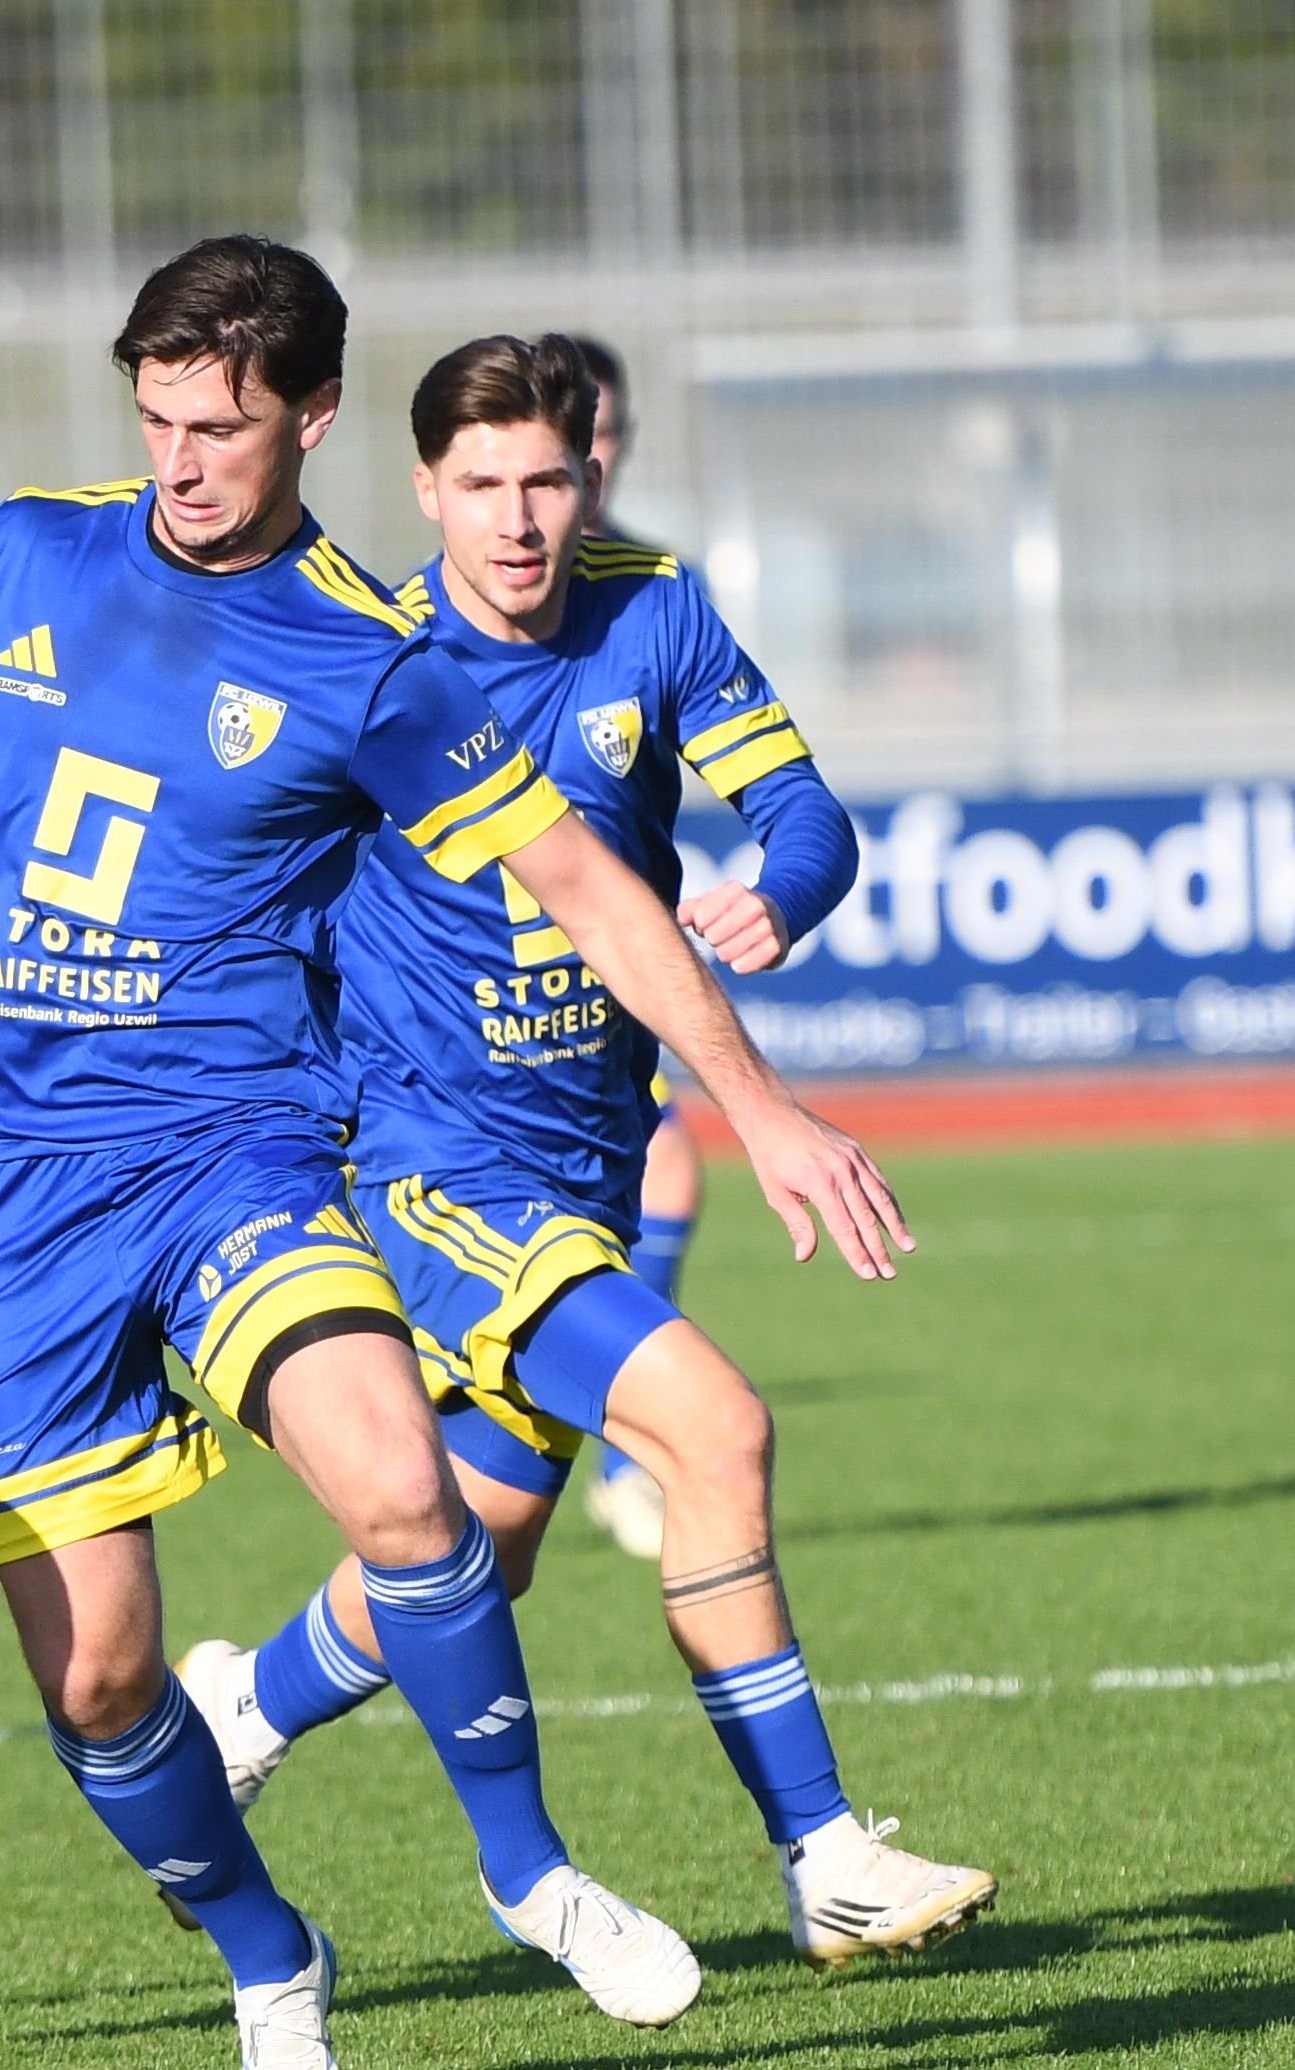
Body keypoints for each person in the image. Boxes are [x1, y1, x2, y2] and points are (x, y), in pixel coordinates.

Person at [0, 240, 909, 2070]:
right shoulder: (16, 556)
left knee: (409, 1492)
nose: (177, 461)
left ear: (312, 420)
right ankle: (269, 1957)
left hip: (237, 1150)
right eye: (153, 420)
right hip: (10, 1192)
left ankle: (528, 1875)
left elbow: (594, 891)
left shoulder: (371, 663)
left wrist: (760, 1099)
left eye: (219, 427)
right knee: (95, 1686)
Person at [181, 334, 997, 1970]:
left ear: (592, 471)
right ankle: (821, 1849)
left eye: (547, 477)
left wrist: (784, 886)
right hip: (421, 1163)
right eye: (480, 484)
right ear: (424, 491)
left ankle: (238, 1708)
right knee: (716, 1429)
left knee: (477, 1549)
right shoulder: (356, 655)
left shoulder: (657, 609)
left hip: (588, 1161)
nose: (517, 519)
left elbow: (809, 815)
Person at [564, 333, 701, 1560]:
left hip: (612, 980)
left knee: (670, 1176)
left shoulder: (664, 590)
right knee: (464, 1533)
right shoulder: (428, 610)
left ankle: (619, 1454)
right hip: (478, 1008)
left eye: (609, 442)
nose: (591, 462)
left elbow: (787, 793)